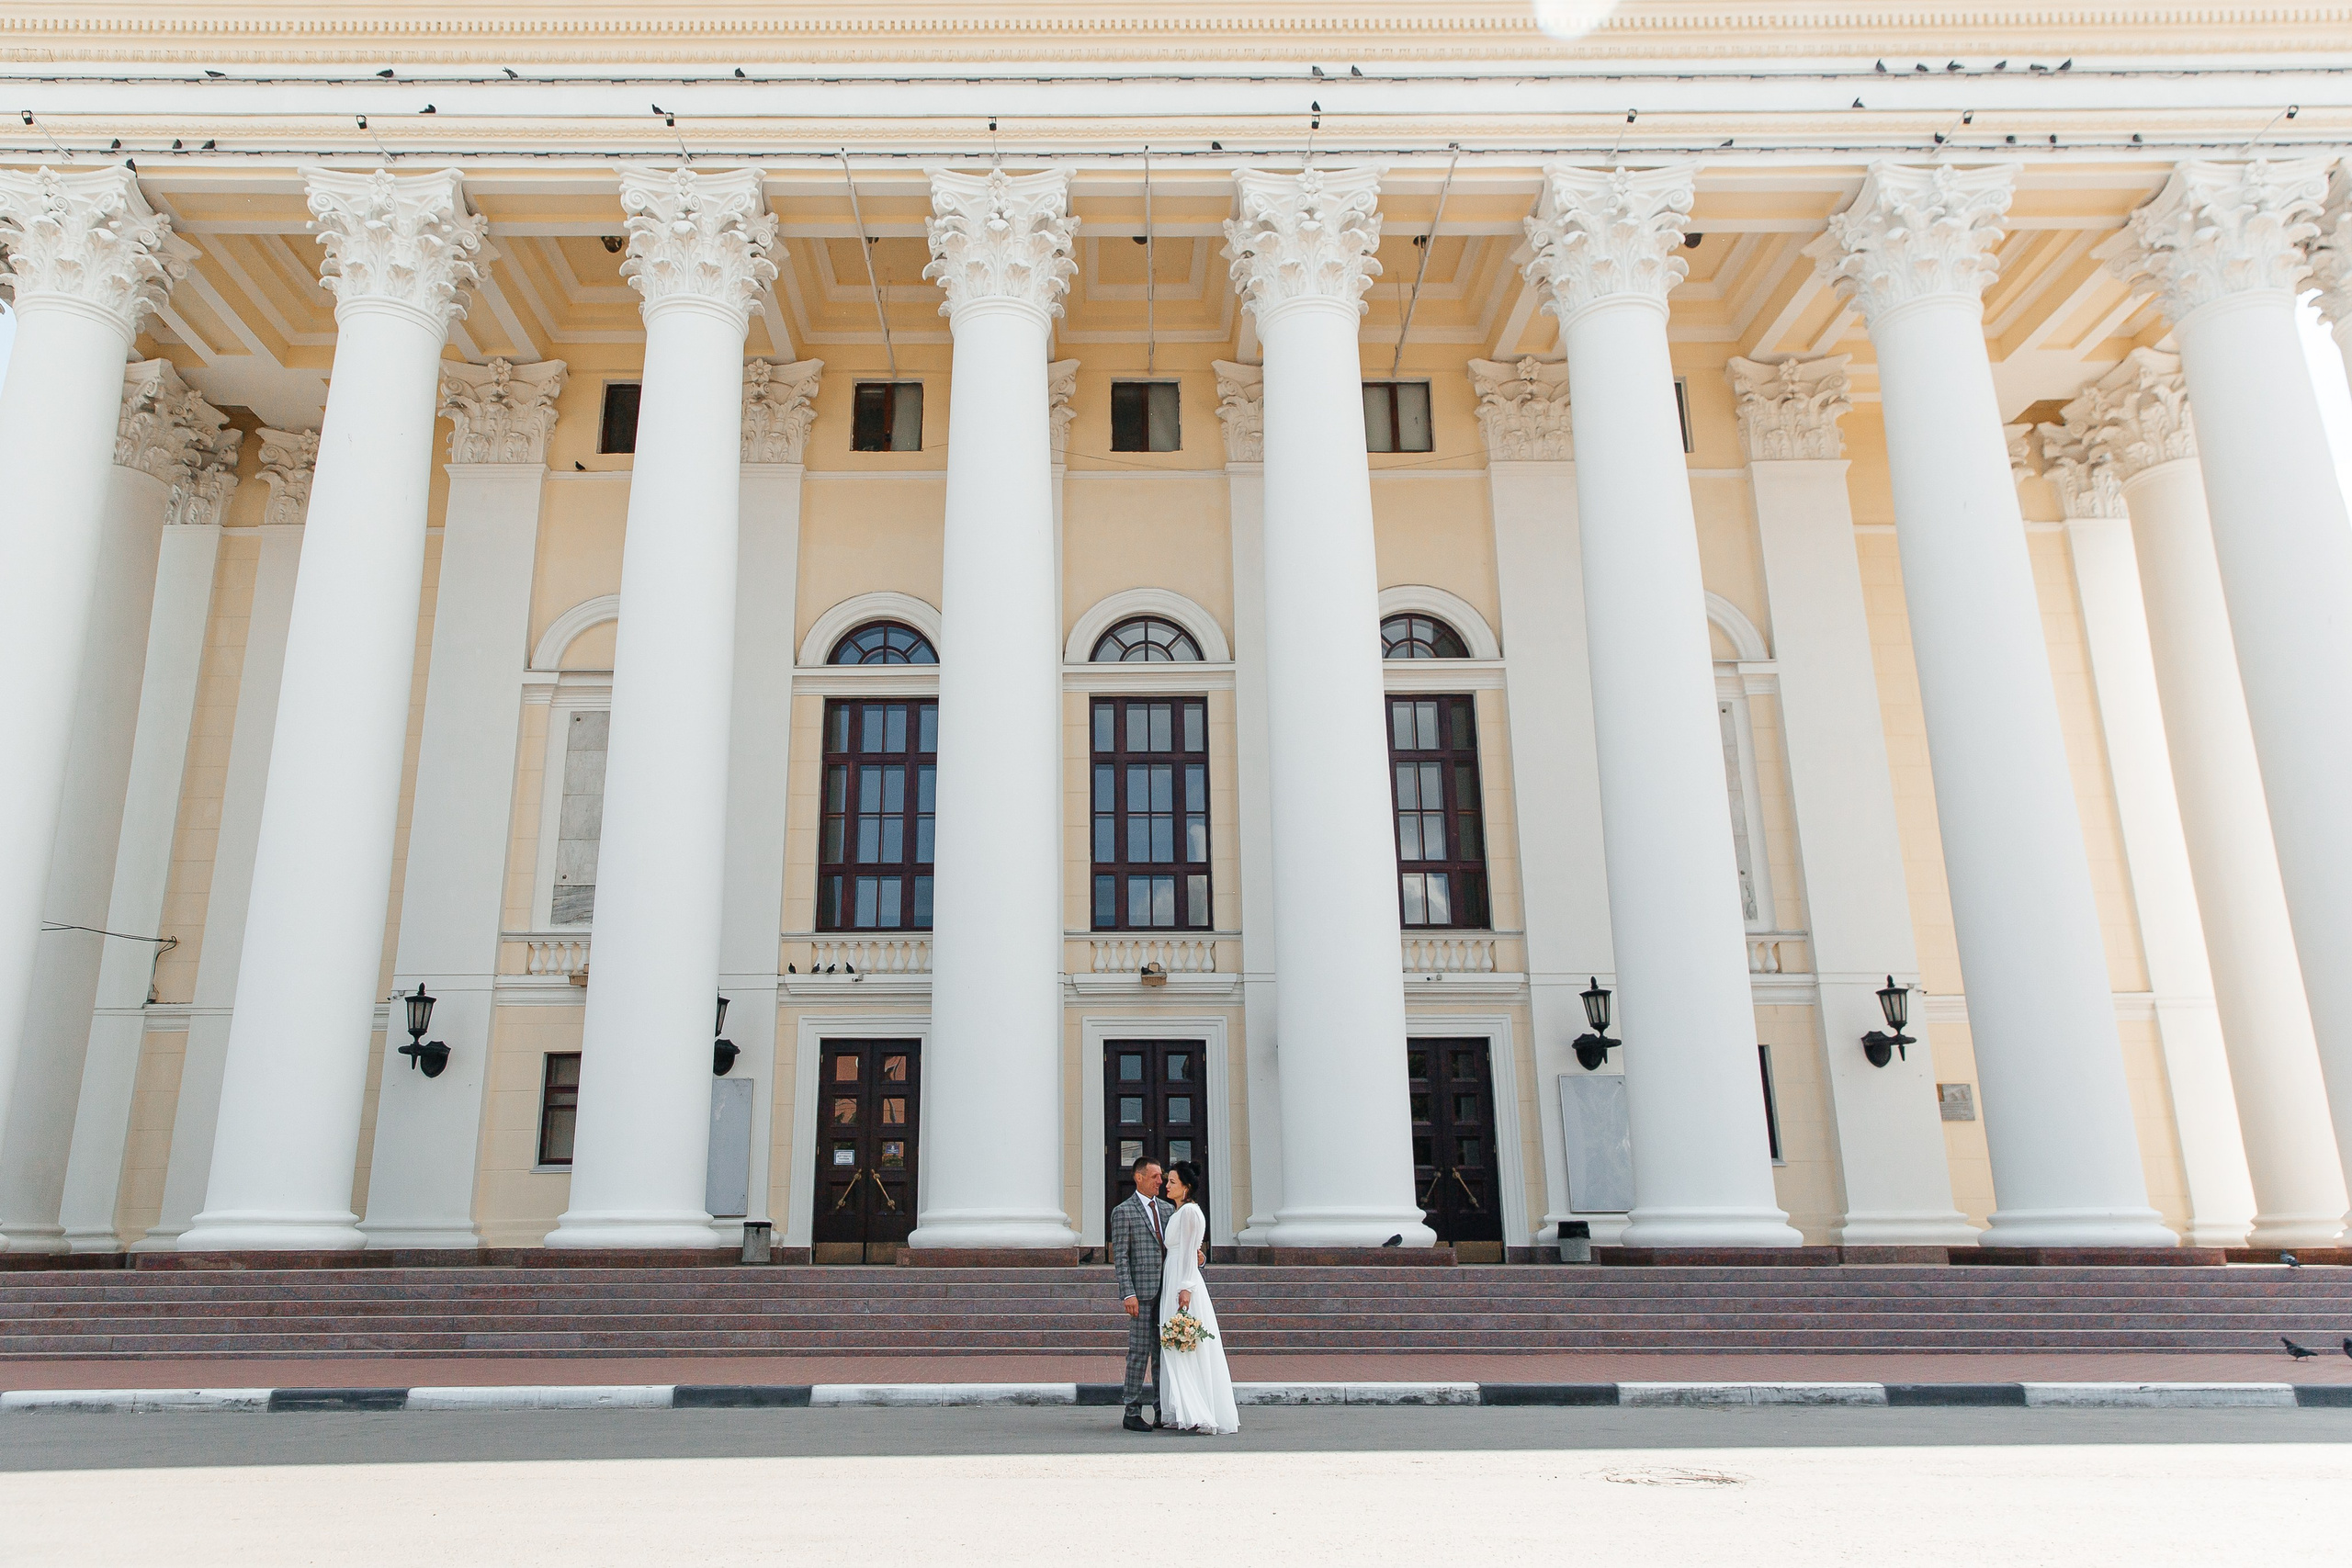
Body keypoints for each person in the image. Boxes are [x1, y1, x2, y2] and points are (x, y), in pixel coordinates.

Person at [1155, 1160, 1238, 1435]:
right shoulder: (1180, 1212)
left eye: (1173, 1183)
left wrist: (1186, 1289)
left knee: (1185, 1343)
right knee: (1176, 1344)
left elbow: (1191, 1251)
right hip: (1175, 1275)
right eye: (1167, 1181)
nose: (1167, 1186)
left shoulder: (1190, 1213)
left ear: (1186, 1187)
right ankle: (1181, 1409)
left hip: (1182, 1280)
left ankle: (1197, 1410)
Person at [1109, 1156, 1171, 1433]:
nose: (1161, 1181)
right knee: (1138, 1353)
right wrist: (1128, 1294)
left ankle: (1162, 1410)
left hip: (1166, 1293)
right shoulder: (1124, 1211)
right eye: (1155, 1176)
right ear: (1139, 1178)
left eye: (1162, 1176)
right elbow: (1120, 1257)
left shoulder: (1169, 1210)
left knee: (1164, 1354)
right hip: (1141, 1294)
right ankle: (1131, 1410)